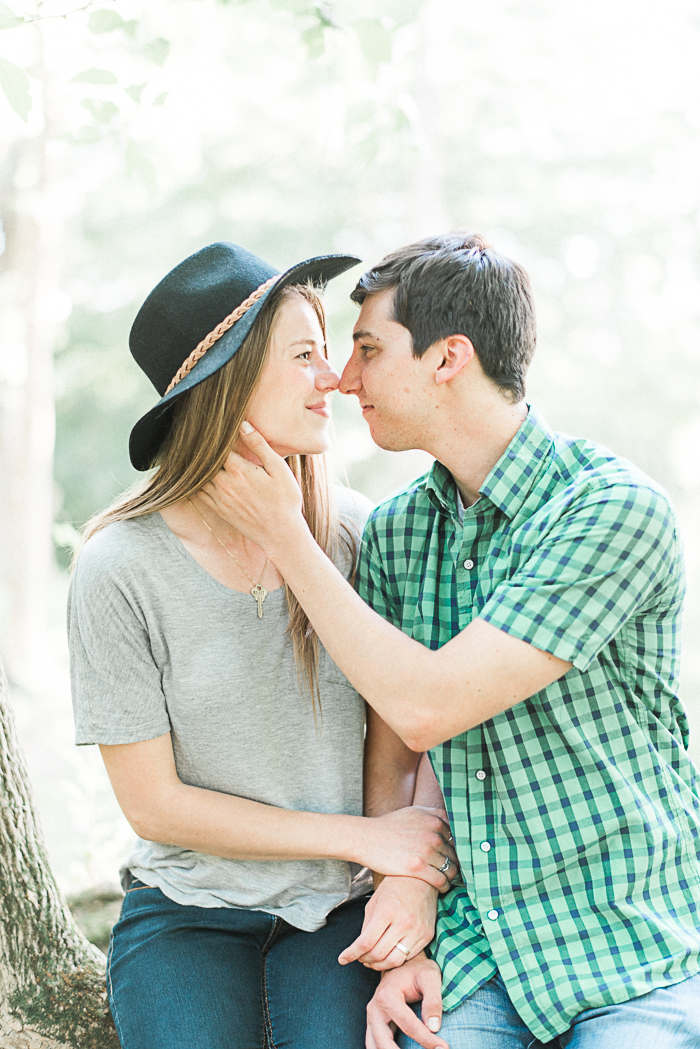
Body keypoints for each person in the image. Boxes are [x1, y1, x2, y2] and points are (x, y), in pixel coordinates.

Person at [199, 232, 700, 1049]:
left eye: (366, 349)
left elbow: (427, 705)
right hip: (485, 945)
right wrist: (405, 903)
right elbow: (395, 756)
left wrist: (286, 538)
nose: (345, 378)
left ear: (447, 358)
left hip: (629, 940)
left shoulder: (611, 512)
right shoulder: (397, 534)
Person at [67, 241, 459, 1049]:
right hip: (187, 917)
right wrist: (358, 836)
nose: (335, 378)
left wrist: (405, 872)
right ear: (229, 381)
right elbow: (155, 804)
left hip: (336, 914)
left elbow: (421, 722)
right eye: (307, 355)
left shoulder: (353, 534)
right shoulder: (119, 568)